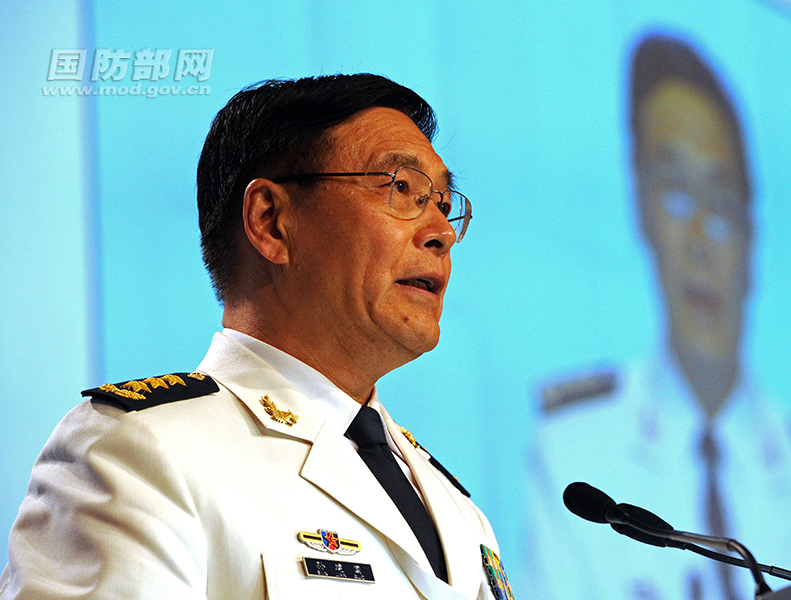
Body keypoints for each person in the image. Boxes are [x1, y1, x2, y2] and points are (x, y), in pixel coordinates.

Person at [0, 74, 514, 600]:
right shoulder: (136, 453)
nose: (442, 232)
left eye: (442, 202)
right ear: (270, 222)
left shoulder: (457, 511)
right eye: (401, 188)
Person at [526, 34, 791, 600]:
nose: (699, 239)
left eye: (720, 203)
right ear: (641, 212)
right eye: (675, 193)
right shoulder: (573, 451)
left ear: (752, 237)